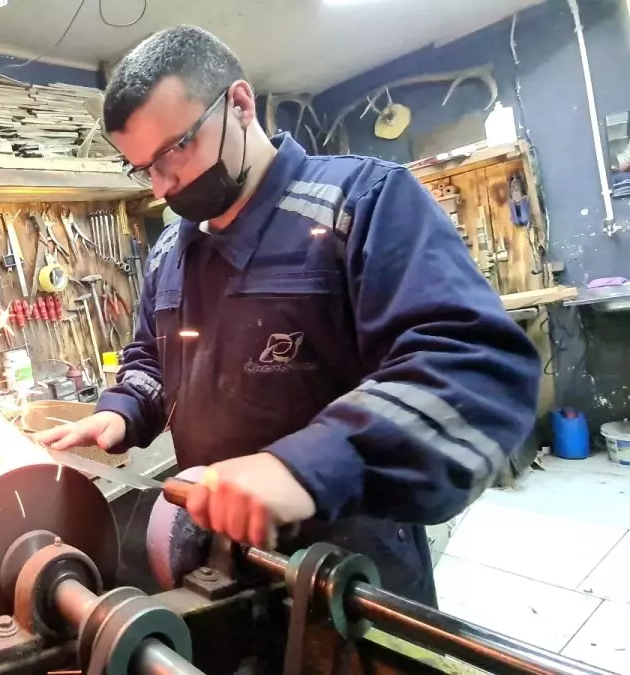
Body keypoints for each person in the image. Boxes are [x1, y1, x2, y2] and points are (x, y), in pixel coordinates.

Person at [34, 25, 540, 605]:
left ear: (241, 105)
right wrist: (123, 412)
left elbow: (472, 369)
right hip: (220, 567)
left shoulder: (363, 202)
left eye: (175, 150)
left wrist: (300, 469)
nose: (163, 184)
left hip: (354, 574)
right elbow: (153, 355)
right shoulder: (171, 251)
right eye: (142, 167)